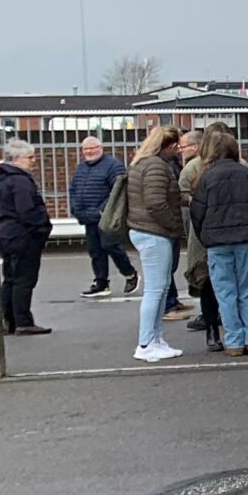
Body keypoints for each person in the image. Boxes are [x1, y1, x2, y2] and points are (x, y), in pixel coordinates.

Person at [191, 128, 248, 357]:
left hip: (217, 243)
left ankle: (234, 340)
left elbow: (197, 213)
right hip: (247, 239)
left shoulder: (206, 177)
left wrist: (205, 236)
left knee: (225, 293)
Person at [128, 128, 189, 363]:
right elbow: (155, 203)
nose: (178, 150)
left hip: (145, 230)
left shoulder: (142, 163)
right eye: (176, 146)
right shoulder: (156, 166)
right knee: (155, 290)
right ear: (169, 146)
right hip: (154, 232)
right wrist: (173, 225)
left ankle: (154, 340)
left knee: (160, 288)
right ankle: (146, 343)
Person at [0, 140, 52, 336]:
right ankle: (23, 321)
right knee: (24, 278)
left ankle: (9, 320)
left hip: (5, 233)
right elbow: (27, 210)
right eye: (29, 157)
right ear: (16, 159)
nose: (33, 161)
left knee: (10, 278)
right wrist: (42, 228)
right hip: (23, 235)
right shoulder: (20, 181)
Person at [69, 136, 138, 297]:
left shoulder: (113, 166)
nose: (89, 151)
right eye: (86, 149)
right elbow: (73, 189)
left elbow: (118, 191)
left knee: (110, 245)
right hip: (87, 217)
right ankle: (101, 283)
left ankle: (129, 273)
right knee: (95, 250)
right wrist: (75, 208)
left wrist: (102, 211)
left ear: (101, 147)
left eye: (92, 148)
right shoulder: (81, 168)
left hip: (107, 217)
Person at [177, 129, 225, 351]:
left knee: (211, 283)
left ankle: (215, 331)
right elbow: (182, 195)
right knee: (213, 283)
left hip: (208, 233)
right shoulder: (193, 168)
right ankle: (219, 330)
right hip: (212, 233)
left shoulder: (194, 168)